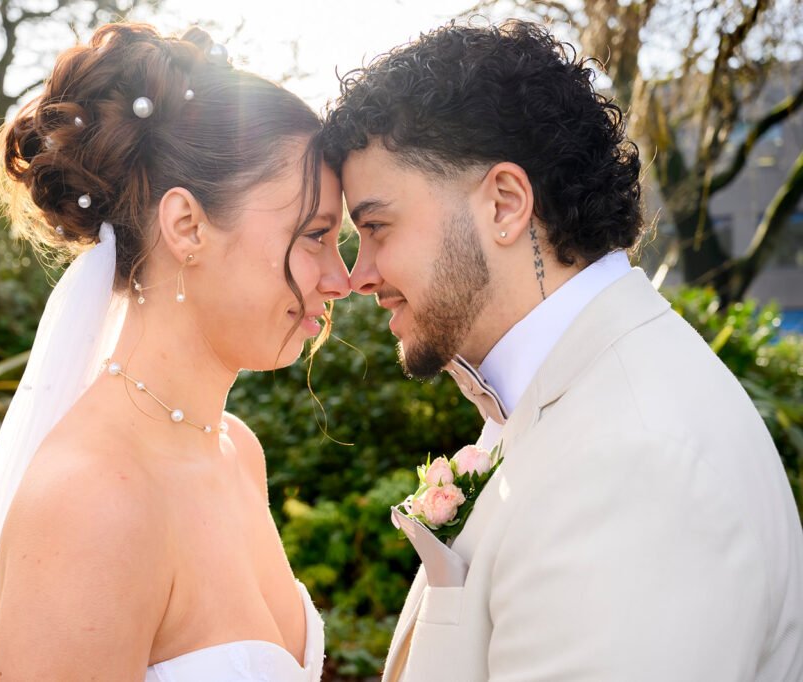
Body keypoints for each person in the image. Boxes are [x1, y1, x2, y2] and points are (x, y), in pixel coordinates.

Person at [321, 19, 803, 682]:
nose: (358, 274)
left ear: (505, 204)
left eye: (376, 226)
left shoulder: (636, 462)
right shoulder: (563, 397)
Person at [0, 22, 349, 681]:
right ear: (186, 226)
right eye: (316, 234)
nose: (341, 278)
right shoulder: (91, 501)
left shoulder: (237, 452)